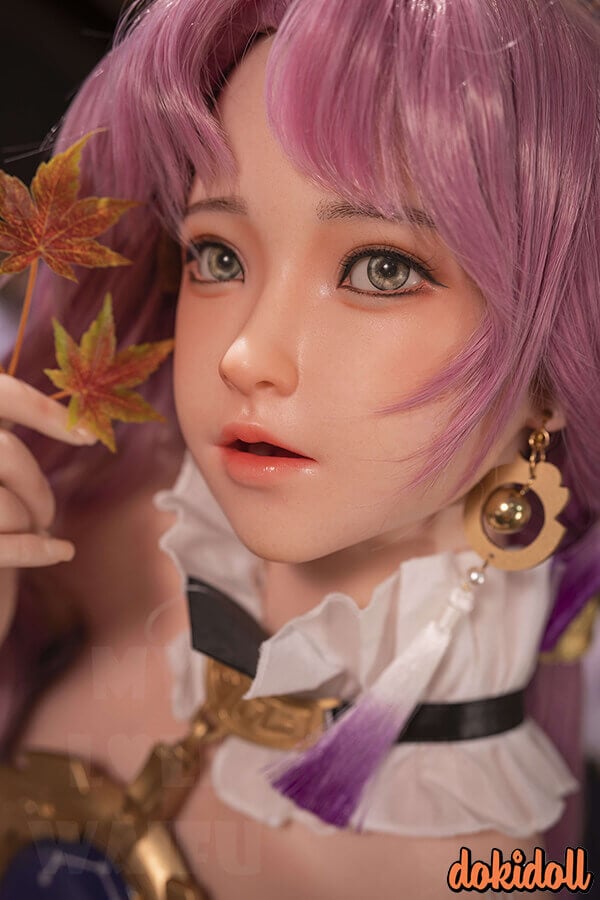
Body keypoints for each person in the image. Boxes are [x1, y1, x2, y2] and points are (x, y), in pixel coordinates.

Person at [0, 0, 598, 897]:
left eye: (382, 269)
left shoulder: (488, 867)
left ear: (551, 368)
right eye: (217, 256)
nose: (247, 354)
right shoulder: (96, 538)